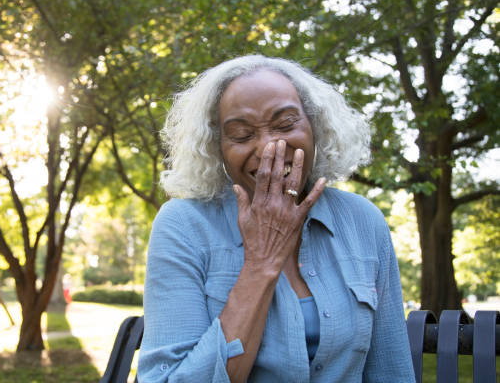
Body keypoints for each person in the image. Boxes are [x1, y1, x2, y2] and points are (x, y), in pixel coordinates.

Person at [138, 55, 415, 382]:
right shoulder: (183, 225)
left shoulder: (363, 221)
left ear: (316, 127)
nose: (270, 147)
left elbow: (391, 371)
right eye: (241, 135)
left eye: (285, 124)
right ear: (218, 148)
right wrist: (261, 263)